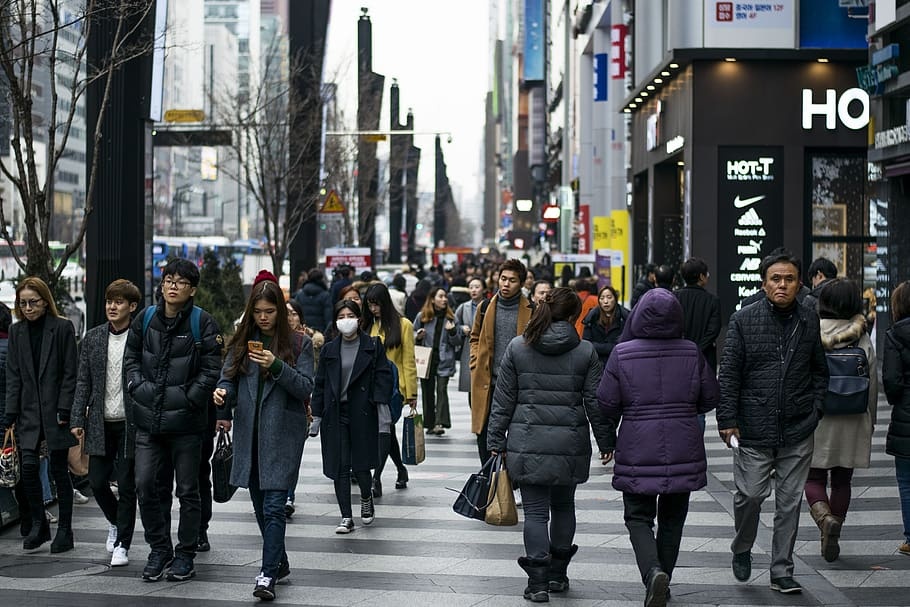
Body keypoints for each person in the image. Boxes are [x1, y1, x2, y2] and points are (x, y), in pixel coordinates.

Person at [486, 287, 613, 603]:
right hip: (569, 444)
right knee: (563, 506)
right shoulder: (584, 351)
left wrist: (494, 439)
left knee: (535, 513)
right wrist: (607, 440)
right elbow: (595, 402)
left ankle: (538, 582)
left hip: (527, 443)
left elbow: (503, 401)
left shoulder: (518, 347)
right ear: (574, 316)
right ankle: (558, 575)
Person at [598, 288, 719, 607]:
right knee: (672, 519)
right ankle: (663, 574)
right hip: (683, 445)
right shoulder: (691, 351)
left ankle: (652, 573)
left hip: (638, 445)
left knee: (638, 517)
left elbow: (606, 402)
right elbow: (710, 398)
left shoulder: (622, 353)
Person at [717, 249, 828, 594]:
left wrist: (816, 409)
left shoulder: (809, 320)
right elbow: (730, 373)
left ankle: (782, 569)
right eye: (775, 279)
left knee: (789, 503)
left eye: (789, 279)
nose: (782, 285)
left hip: (797, 426)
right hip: (753, 425)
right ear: (764, 284)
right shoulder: (743, 319)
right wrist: (728, 418)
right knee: (749, 495)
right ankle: (742, 547)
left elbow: (819, 370)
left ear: (800, 284)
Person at [213, 272, 314, 601]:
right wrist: (222, 395)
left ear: (280, 312)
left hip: (283, 434)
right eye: (258, 312)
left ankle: (267, 574)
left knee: (273, 507)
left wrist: (276, 366)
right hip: (250, 434)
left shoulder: (300, 343)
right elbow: (228, 377)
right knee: (259, 504)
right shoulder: (242, 341)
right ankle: (280, 561)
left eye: (270, 312)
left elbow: (305, 387)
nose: (263, 318)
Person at [125, 258, 222, 582]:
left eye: (180, 281)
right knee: (145, 484)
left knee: (188, 490)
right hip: (148, 422)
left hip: (187, 426)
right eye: (169, 279)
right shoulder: (146, 318)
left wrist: (189, 398)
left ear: (192, 289)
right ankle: (159, 548)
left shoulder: (202, 323)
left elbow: (211, 370)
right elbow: (131, 359)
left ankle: (185, 554)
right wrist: (137, 386)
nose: (172, 285)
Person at [804, 278, 878, 562]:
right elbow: (872, 384)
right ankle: (834, 526)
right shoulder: (861, 337)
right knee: (843, 480)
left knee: (813, 477)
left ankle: (824, 521)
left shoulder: (809, 333)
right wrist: (869, 422)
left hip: (818, 418)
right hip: (852, 418)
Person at [3, 277, 78, 553]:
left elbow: (71, 372)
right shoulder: (17, 332)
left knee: (60, 472)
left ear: (45, 302)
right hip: (27, 412)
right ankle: (39, 524)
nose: (27, 308)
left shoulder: (62, 328)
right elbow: (13, 375)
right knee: (28, 470)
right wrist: (11, 412)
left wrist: (65, 408)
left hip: (56, 411)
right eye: (22, 303)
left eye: (33, 302)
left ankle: (65, 531)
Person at [70, 279, 142, 567]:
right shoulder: (94, 338)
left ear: (132, 306)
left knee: (126, 485)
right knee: (97, 482)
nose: (112, 307)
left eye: (119, 302)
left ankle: (123, 544)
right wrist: (77, 418)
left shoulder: (140, 336)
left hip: (130, 423)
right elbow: (83, 381)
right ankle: (115, 521)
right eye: (109, 301)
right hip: (100, 422)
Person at [309, 300, 393, 534]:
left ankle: (366, 497)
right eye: (341, 316)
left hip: (363, 413)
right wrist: (316, 415)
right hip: (335, 414)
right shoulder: (329, 350)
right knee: (340, 467)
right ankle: (346, 516)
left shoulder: (373, 346)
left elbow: (383, 378)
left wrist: (382, 411)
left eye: (350, 315)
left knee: (362, 466)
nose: (346, 320)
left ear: (359, 319)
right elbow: (321, 383)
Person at [469, 259, 533, 465]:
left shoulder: (533, 309)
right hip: (489, 382)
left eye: (512, 280)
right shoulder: (485, 307)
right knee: (485, 433)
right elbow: (475, 337)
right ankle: (489, 480)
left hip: (518, 384)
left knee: (517, 434)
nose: (505, 284)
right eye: (503, 279)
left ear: (522, 283)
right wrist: (475, 360)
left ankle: (511, 481)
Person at [364, 283, 417, 496]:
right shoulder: (367, 325)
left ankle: (376, 478)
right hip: (370, 389)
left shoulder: (403, 325)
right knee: (386, 432)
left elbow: (408, 360)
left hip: (394, 390)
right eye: (369, 305)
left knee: (384, 431)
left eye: (376, 304)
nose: (373, 309)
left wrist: (411, 393)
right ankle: (400, 470)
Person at [882, 280, 910, 556]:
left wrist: (896, 400)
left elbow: (891, 379)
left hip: (906, 414)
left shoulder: (894, 335)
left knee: (906, 480)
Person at [413, 286, 462, 435]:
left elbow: (458, 341)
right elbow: (412, 333)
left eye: (445, 296)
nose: (444, 299)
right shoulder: (422, 316)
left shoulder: (451, 318)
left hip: (444, 359)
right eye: (440, 296)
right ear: (432, 299)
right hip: (426, 359)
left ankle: (440, 423)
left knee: (441, 390)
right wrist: (418, 336)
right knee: (427, 392)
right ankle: (429, 423)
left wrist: (452, 332)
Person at [674, 258, 721, 372]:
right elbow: (713, 331)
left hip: (679, 355)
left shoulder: (674, 297)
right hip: (705, 357)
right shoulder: (712, 300)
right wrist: (698, 349)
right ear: (701, 277)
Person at [454, 277, 486, 402]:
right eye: (471, 287)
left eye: (477, 287)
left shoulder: (488, 305)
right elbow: (454, 323)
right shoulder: (463, 307)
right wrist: (462, 328)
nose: (473, 290)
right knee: (470, 385)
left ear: (484, 289)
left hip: (484, 346)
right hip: (468, 347)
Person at [582, 284, 629, 365]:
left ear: (615, 299)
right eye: (602, 298)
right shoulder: (591, 318)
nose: (605, 301)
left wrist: (598, 347)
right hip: (596, 364)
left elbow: (625, 346)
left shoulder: (624, 318)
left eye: (609, 297)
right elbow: (587, 345)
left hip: (617, 363)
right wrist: (610, 347)